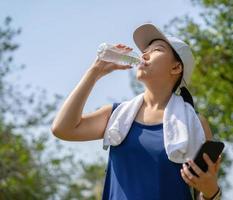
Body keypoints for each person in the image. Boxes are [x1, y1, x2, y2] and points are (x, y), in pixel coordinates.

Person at [51, 23, 222, 200]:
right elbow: (62, 129)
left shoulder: (194, 123)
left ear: (176, 68)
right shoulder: (116, 115)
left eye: (157, 49)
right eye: (145, 50)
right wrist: (94, 72)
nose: (144, 54)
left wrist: (211, 191)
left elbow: (202, 190)